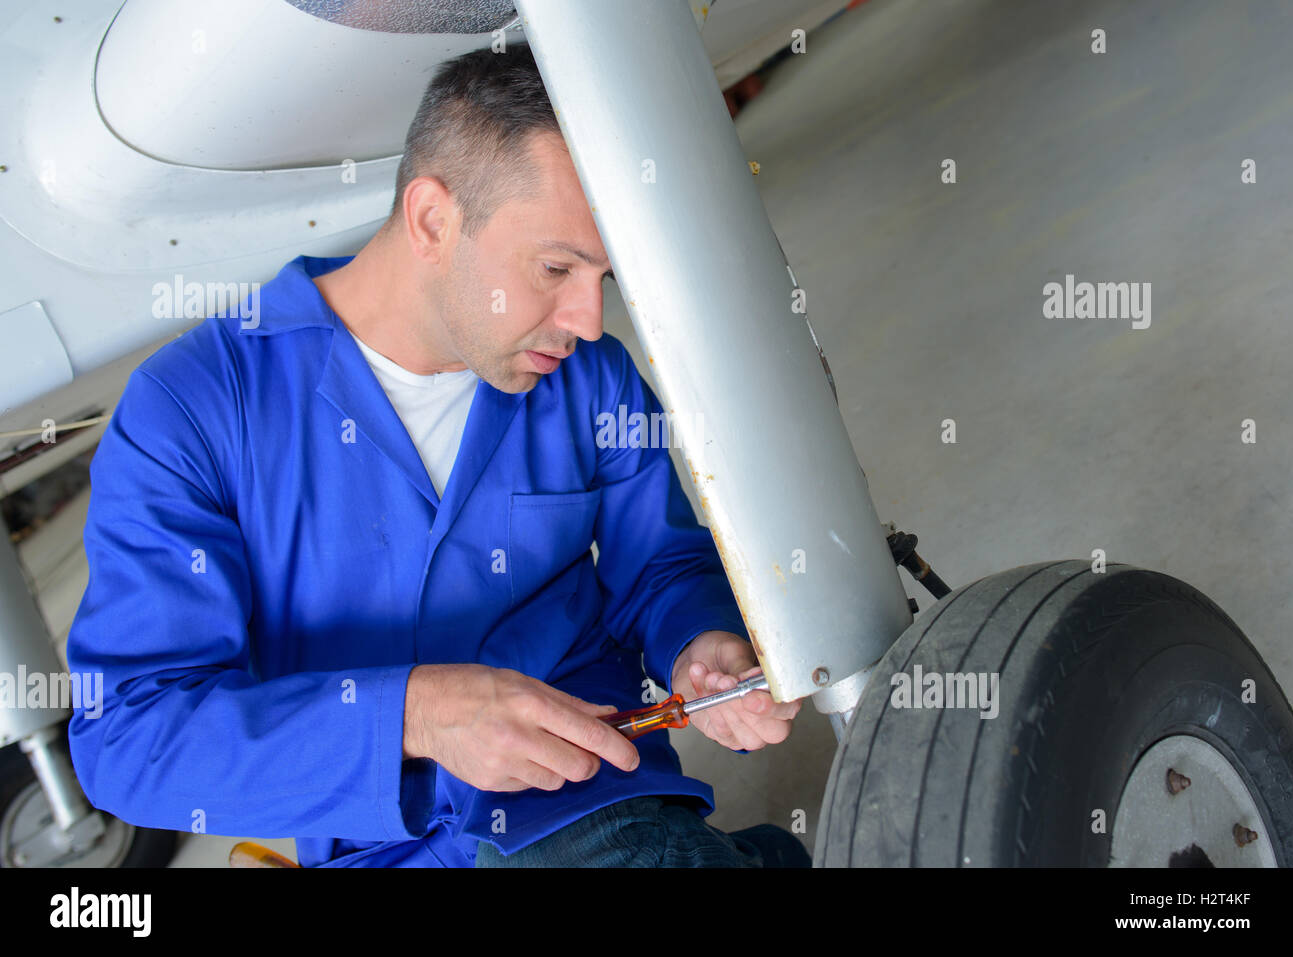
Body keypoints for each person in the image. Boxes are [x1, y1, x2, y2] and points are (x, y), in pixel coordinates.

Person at [66, 44, 806, 868]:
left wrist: (698, 645)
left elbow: (661, 567)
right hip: (377, 848)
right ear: (431, 221)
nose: (589, 320)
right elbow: (131, 736)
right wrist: (412, 714)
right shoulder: (192, 409)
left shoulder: (589, 378)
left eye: (602, 275)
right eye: (555, 266)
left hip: (586, 808)